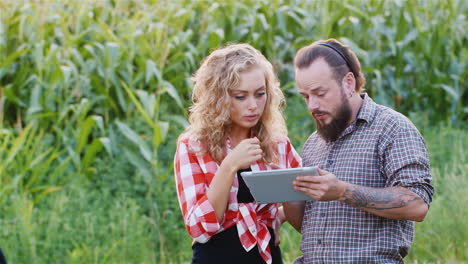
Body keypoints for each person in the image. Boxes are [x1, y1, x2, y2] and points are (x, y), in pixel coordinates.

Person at [283, 38, 434, 263]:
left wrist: (342, 191)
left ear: (348, 82)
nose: (312, 105)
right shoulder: (314, 143)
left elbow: (417, 203)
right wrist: (287, 191)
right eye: (306, 96)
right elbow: (311, 230)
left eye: (320, 93)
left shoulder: (392, 128)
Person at [174, 43, 301, 264]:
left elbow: (307, 198)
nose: (253, 105)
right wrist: (229, 165)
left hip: (266, 256)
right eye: (240, 96)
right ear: (218, 97)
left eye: (260, 94)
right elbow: (199, 230)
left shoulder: (277, 144)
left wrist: (280, 215)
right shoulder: (193, 146)